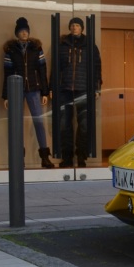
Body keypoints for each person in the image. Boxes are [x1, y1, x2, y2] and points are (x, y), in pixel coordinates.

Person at [2, 16, 53, 168]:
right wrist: (6, 95)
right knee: (17, 124)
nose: (24, 34)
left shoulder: (36, 48)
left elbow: (42, 70)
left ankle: (45, 157)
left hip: (34, 89)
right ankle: (19, 158)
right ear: (17, 33)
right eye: (21, 31)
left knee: (38, 121)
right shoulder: (10, 50)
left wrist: (45, 92)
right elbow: (7, 73)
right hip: (16, 90)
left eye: (26, 31)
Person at [55, 16, 101, 169]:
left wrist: (96, 88)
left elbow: (96, 68)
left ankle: (81, 157)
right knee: (64, 125)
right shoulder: (62, 45)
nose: (74, 27)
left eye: (77, 25)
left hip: (84, 90)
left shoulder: (90, 46)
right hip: (65, 89)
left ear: (82, 28)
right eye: (72, 25)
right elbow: (56, 69)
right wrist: (51, 88)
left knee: (85, 125)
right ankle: (67, 158)